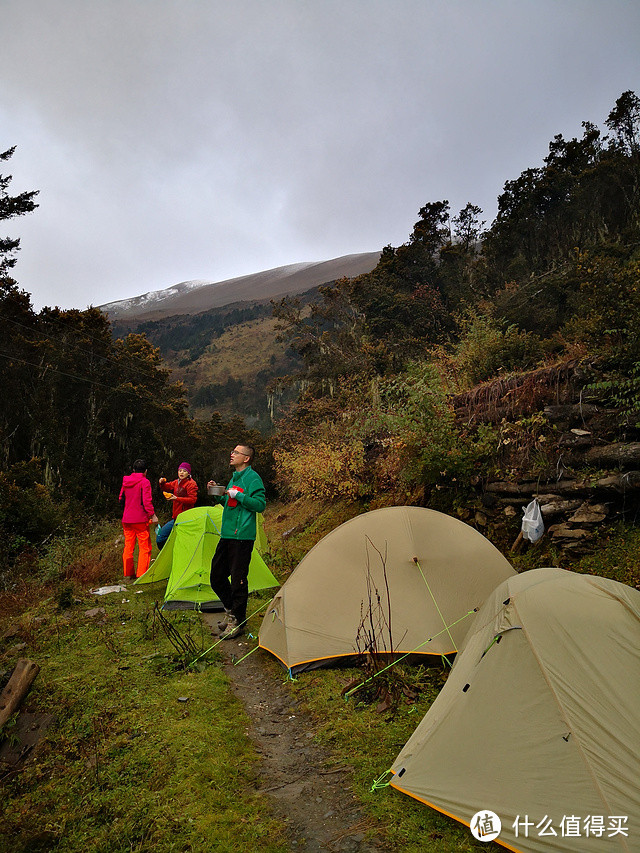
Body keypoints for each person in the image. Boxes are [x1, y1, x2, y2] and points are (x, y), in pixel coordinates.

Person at [208, 444, 266, 639]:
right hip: (227, 535)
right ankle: (231, 611)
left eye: (236, 452)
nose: (231, 454)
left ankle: (238, 622)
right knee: (216, 576)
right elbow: (231, 504)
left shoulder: (253, 478)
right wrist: (219, 496)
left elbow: (260, 505)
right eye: (232, 451)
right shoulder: (234, 478)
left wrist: (239, 495)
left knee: (238, 581)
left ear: (246, 458)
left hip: (242, 537)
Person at [119, 458, 158, 579]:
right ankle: (141, 575)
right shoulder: (145, 482)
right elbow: (147, 501)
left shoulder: (126, 481)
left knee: (128, 546)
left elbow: (121, 498)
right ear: (145, 471)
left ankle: (128, 574)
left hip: (127, 519)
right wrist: (153, 515)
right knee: (144, 547)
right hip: (140, 520)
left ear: (133, 470)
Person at [156, 462, 198, 549]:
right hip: (176, 517)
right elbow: (166, 487)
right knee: (161, 537)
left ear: (188, 473)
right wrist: (162, 483)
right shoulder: (177, 482)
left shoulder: (191, 484)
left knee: (183, 541)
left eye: (184, 471)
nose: (181, 473)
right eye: (180, 471)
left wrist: (177, 498)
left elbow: (193, 500)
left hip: (185, 518)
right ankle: (167, 554)